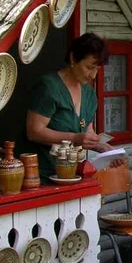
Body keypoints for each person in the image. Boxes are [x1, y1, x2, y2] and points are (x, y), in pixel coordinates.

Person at [24, 33, 119, 180]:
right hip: (39, 174)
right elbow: (34, 131)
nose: (93, 75)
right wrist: (75, 138)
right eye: (89, 67)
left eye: (97, 69)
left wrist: (107, 151)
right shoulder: (48, 87)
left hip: (71, 173)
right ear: (73, 58)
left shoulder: (89, 94)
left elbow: (87, 133)